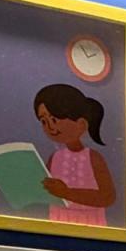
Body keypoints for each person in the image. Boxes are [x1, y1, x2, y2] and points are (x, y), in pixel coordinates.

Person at [34, 83, 117, 227]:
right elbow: (45, 188)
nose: (50, 127)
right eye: (44, 121)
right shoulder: (55, 157)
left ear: (81, 124)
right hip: (57, 222)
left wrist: (67, 193)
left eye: (54, 120)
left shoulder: (93, 157)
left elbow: (108, 197)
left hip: (91, 225)